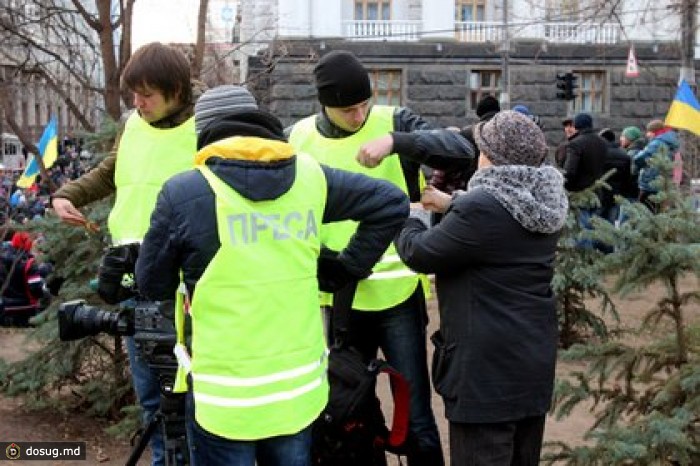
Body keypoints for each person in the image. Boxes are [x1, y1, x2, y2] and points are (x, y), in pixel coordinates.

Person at [134, 85, 409, 466]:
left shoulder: (186, 193)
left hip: (224, 403)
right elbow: (391, 202)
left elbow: (152, 285)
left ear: (206, 133)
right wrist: (346, 268)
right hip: (298, 395)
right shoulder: (311, 177)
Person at [288, 50, 474, 466]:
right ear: (324, 104)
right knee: (351, 408)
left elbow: (460, 148)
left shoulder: (395, 120)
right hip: (337, 300)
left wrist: (396, 143)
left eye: (364, 105)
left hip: (397, 296)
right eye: (348, 109)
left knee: (417, 412)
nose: (359, 116)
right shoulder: (297, 137)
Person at [50, 42, 205, 466]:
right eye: (133, 95)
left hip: (189, 283)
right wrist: (67, 194)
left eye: (147, 95)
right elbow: (111, 171)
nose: (138, 104)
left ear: (177, 90)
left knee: (192, 396)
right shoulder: (134, 123)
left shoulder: (207, 126)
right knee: (152, 394)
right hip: (136, 277)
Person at [395, 110, 568, 466]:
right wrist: (454, 203)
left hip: (484, 373)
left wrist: (411, 214)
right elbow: (503, 216)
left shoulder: (480, 208)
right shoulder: (547, 201)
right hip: (531, 362)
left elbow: (419, 252)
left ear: (490, 156)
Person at [633, 119, 680, 212]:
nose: (647, 134)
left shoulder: (656, 143)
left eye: (649, 132)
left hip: (650, 183)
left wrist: (637, 153)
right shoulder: (669, 142)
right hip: (662, 182)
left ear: (655, 131)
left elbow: (639, 158)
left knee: (643, 212)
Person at [598, 128, 637, 225]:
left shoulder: (598, 154)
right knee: (611, 221)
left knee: (596, 222)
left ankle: (597, 240)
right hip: (616, 194)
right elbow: (627, 178)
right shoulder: (624, 155)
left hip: (600, 193)